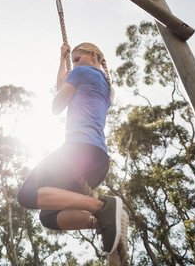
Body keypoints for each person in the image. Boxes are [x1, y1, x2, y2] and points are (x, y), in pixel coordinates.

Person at [17, 42, 123, 254]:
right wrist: (62, 60)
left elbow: (57, 105)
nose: (73, 65)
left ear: (92, 56)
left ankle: (102, 207)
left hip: (78, 151)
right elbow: (64, 90)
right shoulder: (108, 90)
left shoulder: (81, 72)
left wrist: (63, 61)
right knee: (49, 217)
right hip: (98, 161)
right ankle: (101, 220)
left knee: (27, 194)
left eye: (76, 59)